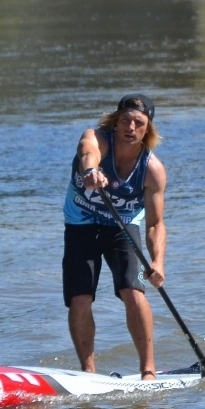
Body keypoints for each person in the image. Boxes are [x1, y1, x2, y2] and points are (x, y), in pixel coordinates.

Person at [62, 94, 168, 380]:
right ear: (115, 121)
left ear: (148, 130)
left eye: (138, 123)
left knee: (133, 292)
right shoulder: (97, 138)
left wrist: (158, 262)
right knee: (80, 299)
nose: (130, 127)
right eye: (125, 120)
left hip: (123, 228)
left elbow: (155, 224)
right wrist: (91, 171)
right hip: (80, 224)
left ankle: (148, 371)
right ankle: (88, 373)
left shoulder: (152, 170)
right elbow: (88, 151)